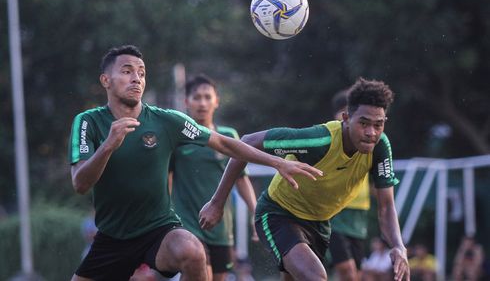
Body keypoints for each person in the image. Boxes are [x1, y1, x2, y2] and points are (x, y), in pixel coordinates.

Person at [67, 45, 321, 281]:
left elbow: (224, 143)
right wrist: (108, 146)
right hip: (112, 237)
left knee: (193, 252)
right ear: (105, 80)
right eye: (127, 71)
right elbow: (80, 183)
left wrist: (276, 162)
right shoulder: (89, 122)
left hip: (159, 229)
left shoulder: (166, 121)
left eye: (142, 73)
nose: (137, 78)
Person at [199, 77, 410, 281]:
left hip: (319, 223)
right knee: (315, 276)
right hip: (278, 213)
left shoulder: (380, 146)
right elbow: (247, 141)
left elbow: (386, 206)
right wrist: (217, 203)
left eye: (378, 125)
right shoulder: (320, 140)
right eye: (363, 123)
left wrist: (398, 246)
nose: (371, 132)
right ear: (346, 118)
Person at [168, 74, 257, 281]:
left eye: (208, 97)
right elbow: (167, 179)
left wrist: (255, 213)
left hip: (221, 230)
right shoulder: (177, 139)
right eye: (197, 97)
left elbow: (241, 179)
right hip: (188, 224)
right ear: (186, 102)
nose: (202, 103)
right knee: (200, 274)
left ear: (216, 101)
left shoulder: (228, 136)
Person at [328, 89, 371, 281]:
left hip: (359, 213)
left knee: (357, 274)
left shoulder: (368, 140)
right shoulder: (332, 136)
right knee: (347, 270)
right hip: (336, 211)